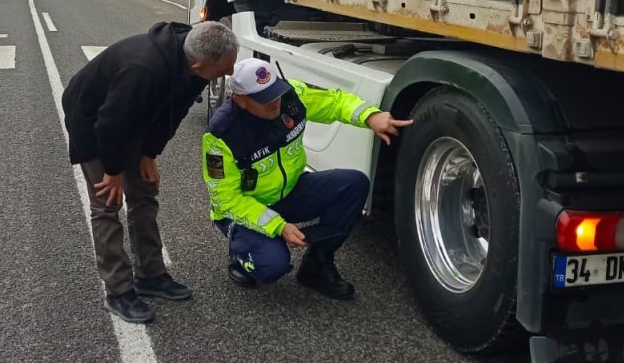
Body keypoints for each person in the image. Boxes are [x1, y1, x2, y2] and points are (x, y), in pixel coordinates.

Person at [64, 20, 238, 323]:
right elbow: (110, 123)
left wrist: (148, 154)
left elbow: (173, 112)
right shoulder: (143, 70)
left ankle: (150, 275)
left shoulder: (195, 62)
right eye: (225, 69)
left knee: (144, 194)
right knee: (107, 204)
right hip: (93, 121)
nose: (230, 73)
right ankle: (118, 290)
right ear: (198, 64)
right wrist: (113, 171)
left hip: (131, 119)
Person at [201, 58, 412, 299]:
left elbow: (335, 101)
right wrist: (278, 226)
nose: (274, 103)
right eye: (264, 99)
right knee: (272, 266)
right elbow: (226, 201)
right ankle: (241, 256)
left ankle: (317, 264)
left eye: (275, 93)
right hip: (247, 208)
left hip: (289, 191)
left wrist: (369, 116)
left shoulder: (290, 96)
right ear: (241, 100)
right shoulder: (220, 136)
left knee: (353, 184)